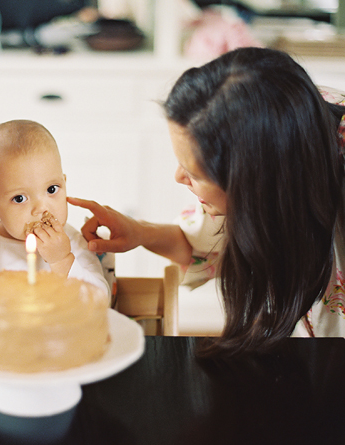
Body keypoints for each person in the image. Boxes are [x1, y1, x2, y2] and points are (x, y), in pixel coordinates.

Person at [69, 47, 345, 355]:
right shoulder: (284, 118)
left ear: (255, 181)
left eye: (194, 173)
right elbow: (200, 246)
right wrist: (139, 232)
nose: (178, 177)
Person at [0, 119, 109, 319]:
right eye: (19, 198)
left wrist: (62, 260)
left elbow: (100, 300)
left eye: (51, 189)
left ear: (64, 184)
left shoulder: (75, 243)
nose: (42, 208)